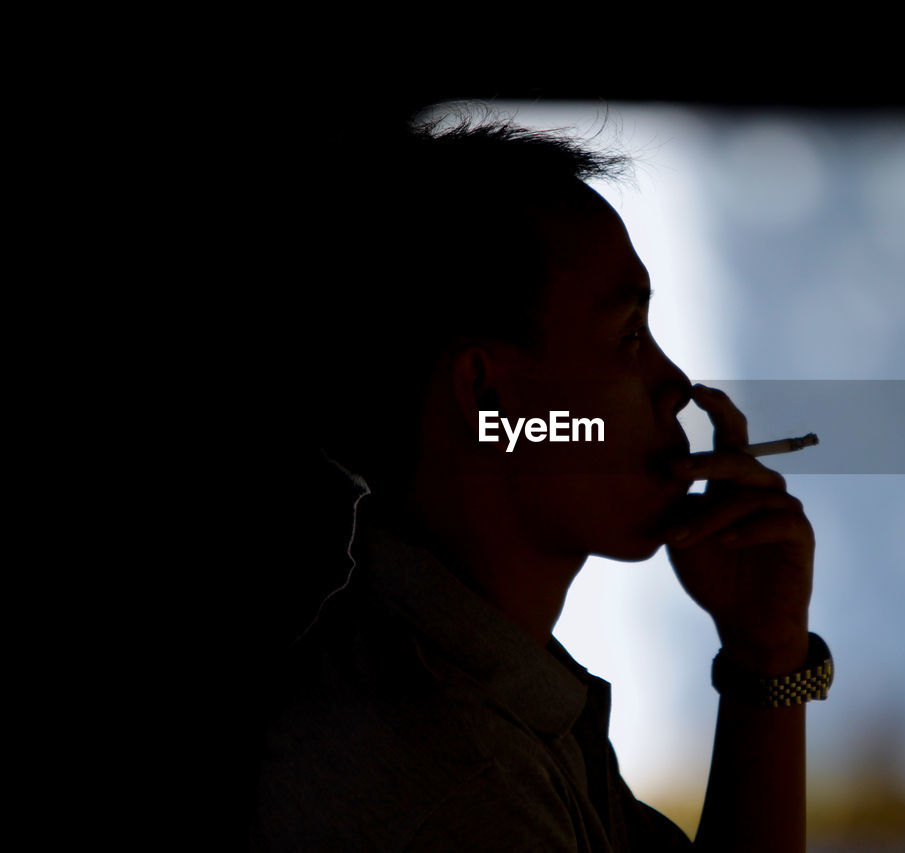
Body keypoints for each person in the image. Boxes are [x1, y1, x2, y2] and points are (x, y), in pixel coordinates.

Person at [252, 104, 831, 851]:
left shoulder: (477, 689)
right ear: (488, 399)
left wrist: (764, 656)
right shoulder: (454, 783)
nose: (678, 385)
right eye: (629, 337)